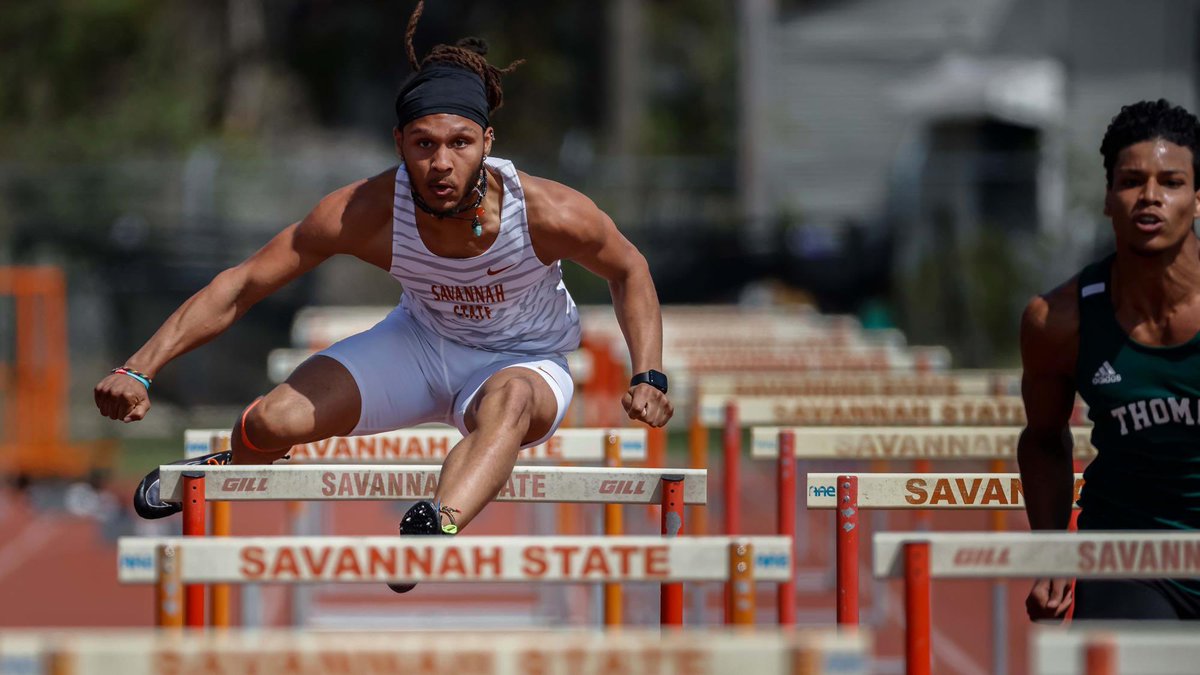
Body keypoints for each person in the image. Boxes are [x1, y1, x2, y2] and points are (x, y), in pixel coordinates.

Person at [93, 1, 673, 592]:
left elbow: (631, 270)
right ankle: (242, 461)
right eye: (423, 144)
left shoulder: (550, 212)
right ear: (399, 142)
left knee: (513, 400)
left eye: (460, 143)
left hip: (523, 359)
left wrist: (649, 375)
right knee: (272, 420)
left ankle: (431, 529)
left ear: (487, 140)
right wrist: (140, 369)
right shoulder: (362, 213)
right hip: (419, 346)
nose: (441, 164)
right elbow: (243, 284)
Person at [1020, 99, 1200, 620]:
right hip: (1129, 558)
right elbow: (1043, 439)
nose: (1150, 197)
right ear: (1107, 198)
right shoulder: (1057, 320)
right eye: (1131, 181)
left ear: (1197, 198)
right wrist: (1052, 551)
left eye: (1171, 182)